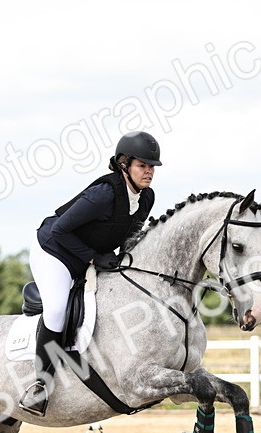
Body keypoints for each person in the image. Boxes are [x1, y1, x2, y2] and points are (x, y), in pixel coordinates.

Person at [19, 131, 161, 417]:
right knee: (57, 310)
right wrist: (95, 257)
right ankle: (40, 386)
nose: (148, 171)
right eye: (142, 165)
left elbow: (130, 237)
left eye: (151, 166)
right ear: (124, 165)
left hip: (87, 255)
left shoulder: (146, 198)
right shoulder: (104, 194)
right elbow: (60, 230)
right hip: (54, 252)